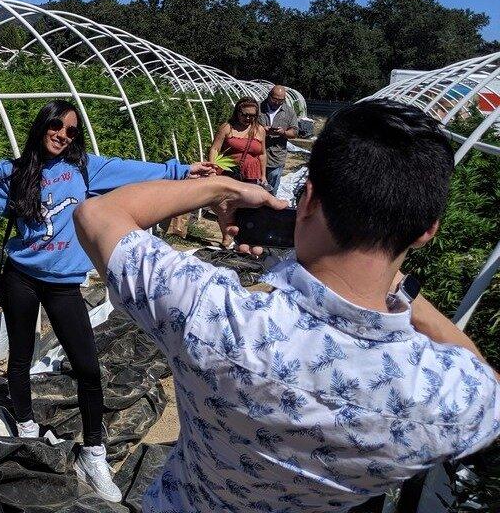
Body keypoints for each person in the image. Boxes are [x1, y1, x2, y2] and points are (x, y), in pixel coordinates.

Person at [73, 99, 500, 512]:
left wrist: (222, 186)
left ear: (309, 200)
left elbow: (98, 214)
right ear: (426, 231)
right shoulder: (451, 395)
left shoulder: (215, 316)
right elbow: (487, 383)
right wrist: (405, 295)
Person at [0, 100, 216, 502]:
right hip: (20, 279)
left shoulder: (86, 168)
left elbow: (133, 169)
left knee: (87, 367)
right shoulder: (14, 174)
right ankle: (27, 428)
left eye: (71, 131)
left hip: (63, 285)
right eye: (56, 126)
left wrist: (180, 171)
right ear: (41, 127)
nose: (63, 135)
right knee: (19, 359)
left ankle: (93, 452)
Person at [209, 98, 266, 246]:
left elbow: (262, 154)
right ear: (237, 112)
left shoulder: (259, 130)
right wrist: (213, 168)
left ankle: (244, 239)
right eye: (245, 114)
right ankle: (227, 236)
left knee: (248, 207)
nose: (248, 118)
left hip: (251, 174)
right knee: (225, 207)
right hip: (229, 172)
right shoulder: (227, 128)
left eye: (252, 116)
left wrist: (263, 175)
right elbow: (215, 148)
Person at [260, 84, 299, 193]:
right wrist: (262, 131)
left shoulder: (289, 112)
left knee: (271, 190)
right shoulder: (258, 108)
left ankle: (268, 208)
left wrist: (283, 132)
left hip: (276, 156)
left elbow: (294, 132)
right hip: (257, 155)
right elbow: (248, 128)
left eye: (280, 100)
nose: (277, 103)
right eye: (274, 99)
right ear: (269, 96)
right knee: (255, 189)